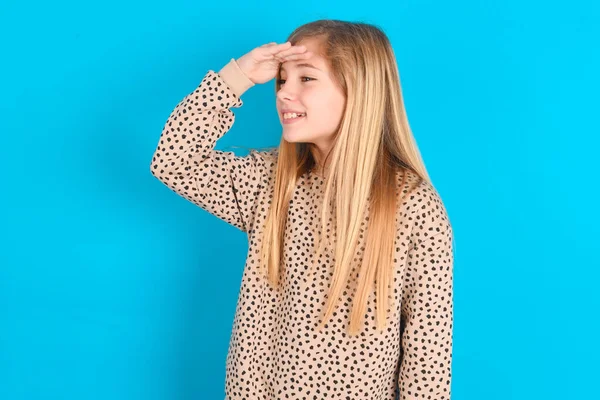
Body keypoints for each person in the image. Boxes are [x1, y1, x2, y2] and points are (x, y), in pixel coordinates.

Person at [150, 19, 454, 400]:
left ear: (359, 90)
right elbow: (173, 160)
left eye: (306, 79)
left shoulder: (412, 206)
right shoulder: (269, 183)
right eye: (281, 80)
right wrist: (237, 76)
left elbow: (428, 359)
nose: (282, 94)